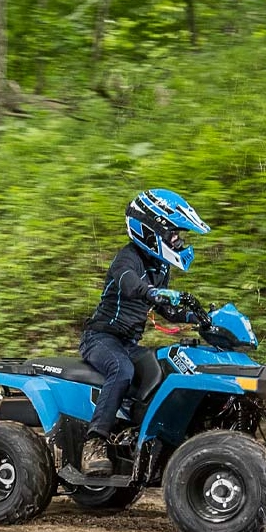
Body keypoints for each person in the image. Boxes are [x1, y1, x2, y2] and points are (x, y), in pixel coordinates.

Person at [79, 188, 210, 476]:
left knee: (164, 371)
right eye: (173, 235)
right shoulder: (128, 258)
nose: (178, 241)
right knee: (121, 370)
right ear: (150, 231)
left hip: (128, 342)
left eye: (178, 236)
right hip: (101, 339)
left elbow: (167, 309)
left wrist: (200, 318)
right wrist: (155, 293)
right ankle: (94, 442)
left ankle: (139, 440)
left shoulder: (160, 266)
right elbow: (130, 286)